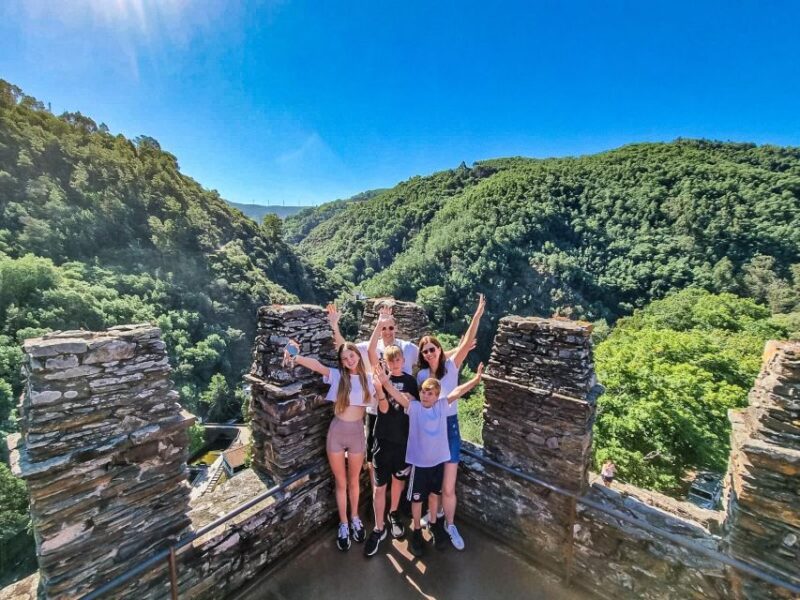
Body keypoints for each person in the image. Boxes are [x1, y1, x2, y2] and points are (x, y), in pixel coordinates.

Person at [375, 363, 484, 557]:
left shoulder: (442, 406)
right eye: (423, 392)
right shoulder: (414, 407)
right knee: (417, 500)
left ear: (437, 396)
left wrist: (475, 380)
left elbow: (458, 391)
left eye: (430, 393)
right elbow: (397, 395)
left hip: (437, 463)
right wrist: (385, 382)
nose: (426, 396)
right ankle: (417, 530)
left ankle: (434, 524)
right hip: (419, 465)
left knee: (434, 496)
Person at [283, 340, 376, 551]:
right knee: (341, 482)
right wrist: (295, 357)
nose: (349, 360)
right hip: (337, 433)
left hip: (356, 435)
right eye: (344, 358)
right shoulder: (338, 376)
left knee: (354, 481)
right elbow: (317, 366)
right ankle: (343, 523)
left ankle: (355, 518)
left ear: (358, 355)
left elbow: (386, 383)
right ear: (341, 362)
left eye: (351, 355)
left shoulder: (369, 379)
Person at [416, 294, 485, 550]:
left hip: (450, 427)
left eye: (432, 349)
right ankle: (435, 515)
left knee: (448, 486)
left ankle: (450, 524)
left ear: (439, 350)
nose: (429, 353)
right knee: (432, 482)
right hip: (430, 430)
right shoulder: (422, 375)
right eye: (425, 351)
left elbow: (466, 344)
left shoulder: (452, 366)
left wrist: (477, 315)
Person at [326, 303, 420, 487]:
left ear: (396, 328)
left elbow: (431, 355)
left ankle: (392, 499)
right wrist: (335, 326)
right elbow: (345, 348)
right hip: (375, 411)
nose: (387, 331)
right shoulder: (368, 347)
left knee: (399, 459)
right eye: (383, 327)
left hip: (399, 415)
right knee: (372, 456)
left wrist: (459, 350)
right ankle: (376, 491)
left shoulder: (407, 348)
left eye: (390, 327)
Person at [363, 343, 419, 557]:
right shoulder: (379, 380)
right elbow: (384, 409)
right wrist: (381, 388)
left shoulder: (411, 381)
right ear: (385, 362)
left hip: (403, 443)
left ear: (403, 361)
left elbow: (410, 406)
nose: (395, 363)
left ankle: (393, 513)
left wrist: (388, 387)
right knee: (379, 488)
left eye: (397, 359)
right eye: (390, 360)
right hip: (383, 440)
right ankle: (379, 528)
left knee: (398, 481)